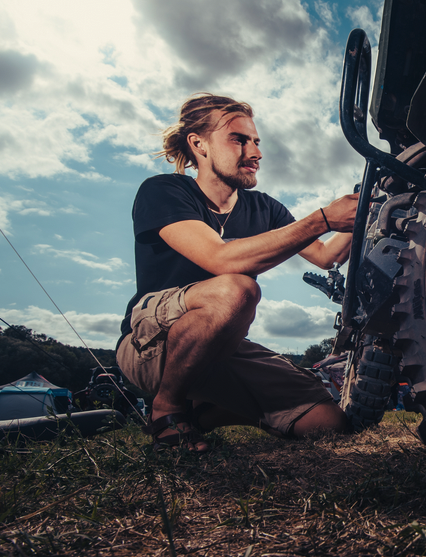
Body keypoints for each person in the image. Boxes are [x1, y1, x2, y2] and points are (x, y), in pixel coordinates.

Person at [116, 93, 359, 451]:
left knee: (329, 423)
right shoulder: (164, 190)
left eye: (256, 142)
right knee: (236, 289)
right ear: (199, 144)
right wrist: (322, 218)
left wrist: (366, 212)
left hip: (220, 347)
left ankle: (201, 416)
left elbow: (325, 257)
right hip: (151, 347)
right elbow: (221, 259)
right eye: (239, 140)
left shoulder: (265, 207)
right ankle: (166, 409)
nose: (255, 153)